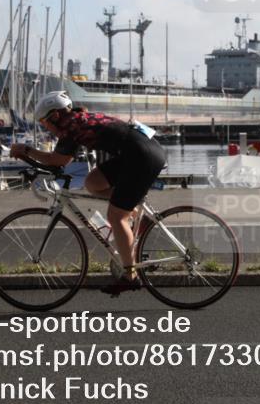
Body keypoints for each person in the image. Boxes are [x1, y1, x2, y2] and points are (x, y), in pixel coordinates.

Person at [9, 91, 167, 295]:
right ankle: (138, 216)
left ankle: (130, 276)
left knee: (116, 217)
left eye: (44, 122)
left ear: (55, 116)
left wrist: (26, 150)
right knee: (93, 182)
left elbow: (59, 160)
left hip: (141, 156)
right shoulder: (76, 120)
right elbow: (61, 161)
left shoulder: (72, 126)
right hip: (137, 151)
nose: (44, 127)